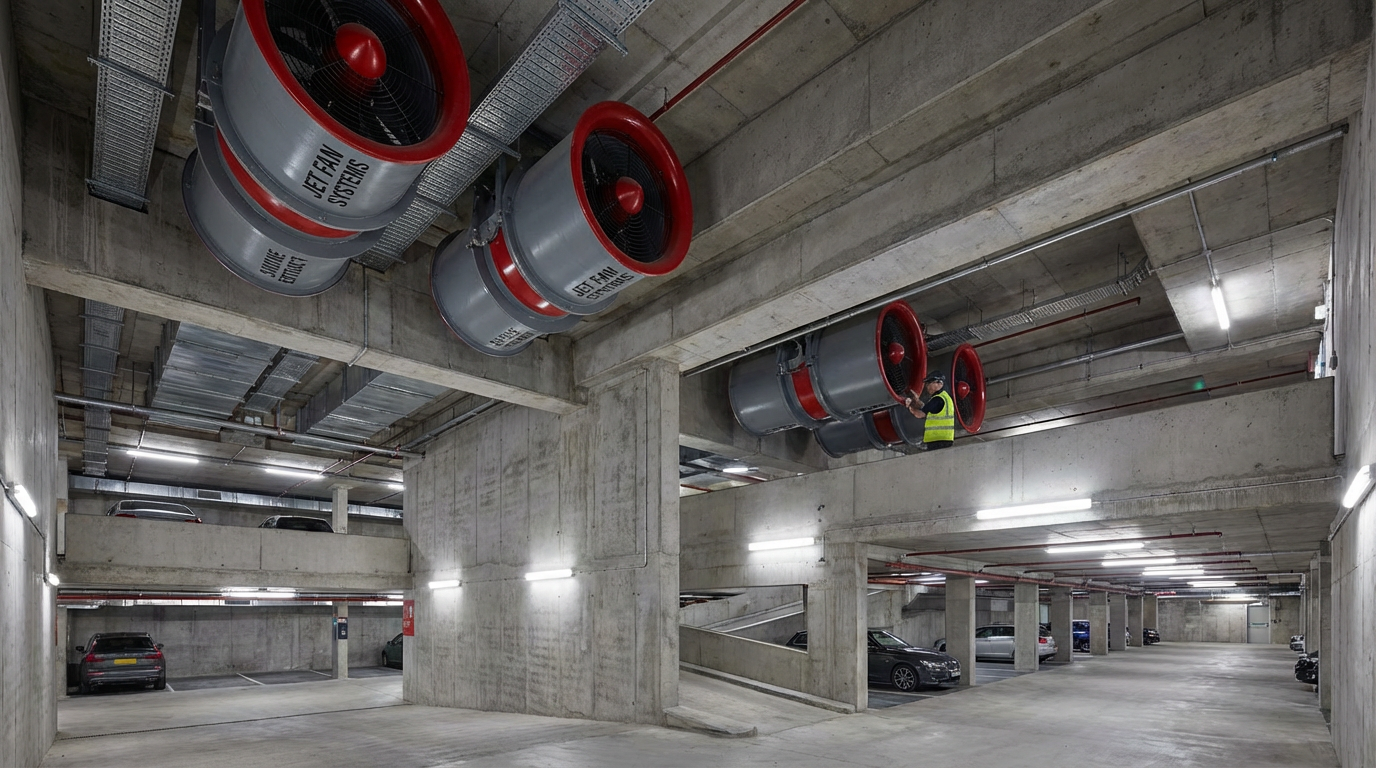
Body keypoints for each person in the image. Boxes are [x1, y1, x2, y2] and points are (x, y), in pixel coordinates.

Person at [904, 373, 955, 450]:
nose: (927, 387)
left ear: (939, 384)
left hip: (937, 441)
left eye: (929, 384)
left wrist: (908, 406)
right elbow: (928, 409)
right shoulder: (944, 397)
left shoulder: (937, 399)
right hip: (945, 439)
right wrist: (917, 401)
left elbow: (920, 414)